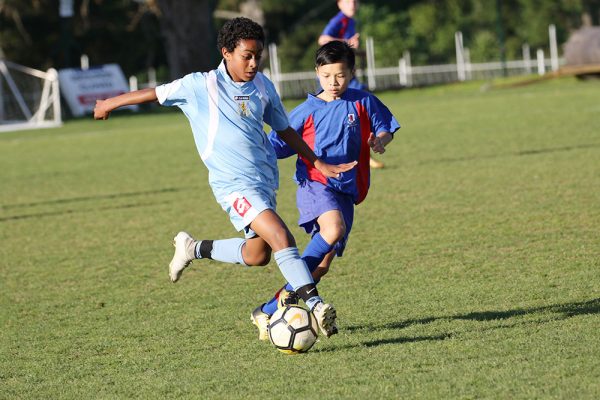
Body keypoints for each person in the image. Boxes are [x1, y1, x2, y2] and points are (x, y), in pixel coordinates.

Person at [93, 17, 357, 339]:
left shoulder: (263, 86)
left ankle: (193, 248)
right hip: (233, 186)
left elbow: (284, 129)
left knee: (256, 254)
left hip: (263, 182)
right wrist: (109, 103)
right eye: (246, 55)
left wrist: (316, 160)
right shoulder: (199, 85)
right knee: (281, 238)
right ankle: (315, 304)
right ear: (226, 52)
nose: (253, 62)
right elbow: (154, 93)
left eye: (258, 55)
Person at [250, 40, 400, 339]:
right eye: (327, 75)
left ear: (352, 72)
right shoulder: (305, 111)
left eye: (341, 75)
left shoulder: (363, 102)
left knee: (321, 267)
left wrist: (381, 140)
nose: (334, 82)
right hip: (315, 184)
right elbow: (275, 145)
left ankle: (266, 310)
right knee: (332, 229)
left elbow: (385, 126)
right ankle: (297, 306)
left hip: (347, 190)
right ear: (317, 72)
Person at [318, 0, 385, 169]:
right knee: (358, 110)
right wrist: (346, 41)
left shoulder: (352, 20)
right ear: (339, 4)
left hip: (348, 75)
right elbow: (323, 39)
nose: (353, 4)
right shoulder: (339, 20)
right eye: (348, 1)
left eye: (355, 1)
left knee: (361, 111)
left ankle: (365, 151)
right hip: (341, 77)